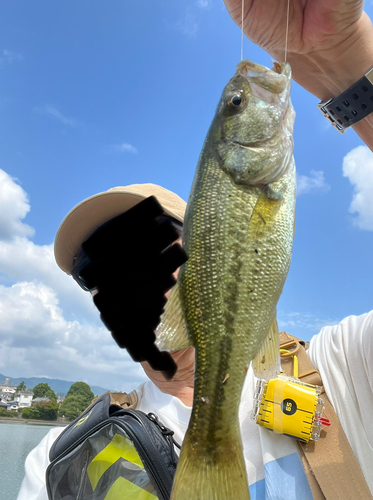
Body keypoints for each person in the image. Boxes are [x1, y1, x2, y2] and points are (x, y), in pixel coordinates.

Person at [18, 0, 373, 498]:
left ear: (203, 246)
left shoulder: (345, 369)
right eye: (98, 269)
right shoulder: (58, 462)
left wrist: (345, 59)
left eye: (152, 241)